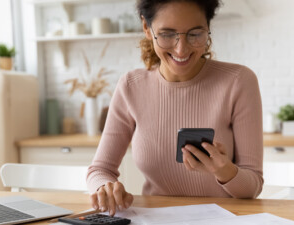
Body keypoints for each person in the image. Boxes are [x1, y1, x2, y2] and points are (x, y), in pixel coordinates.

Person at [87, 0, 263, 216]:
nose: (181, 48)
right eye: (167, 34)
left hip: (222, 219)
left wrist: (224, 170)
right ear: (146, 28)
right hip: (155, 219)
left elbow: (252, 186)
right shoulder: (131, 86)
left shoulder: (238, 81)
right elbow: (100, 170)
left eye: (195, 34)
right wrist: (104, 187)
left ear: (208, 28)